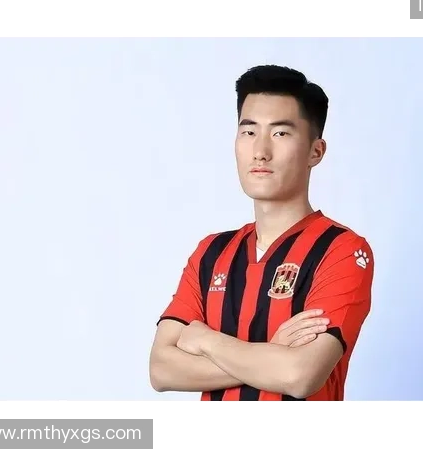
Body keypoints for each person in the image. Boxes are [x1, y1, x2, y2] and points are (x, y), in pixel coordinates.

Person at [149, 64, 374, 400]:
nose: (260, 152)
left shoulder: (342, 250)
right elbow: (161, 369)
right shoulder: (211, 252)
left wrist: (206, 340)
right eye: (249, 132)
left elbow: (299, 375)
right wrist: (272, 353)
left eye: (280, 133)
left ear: (315, 151)